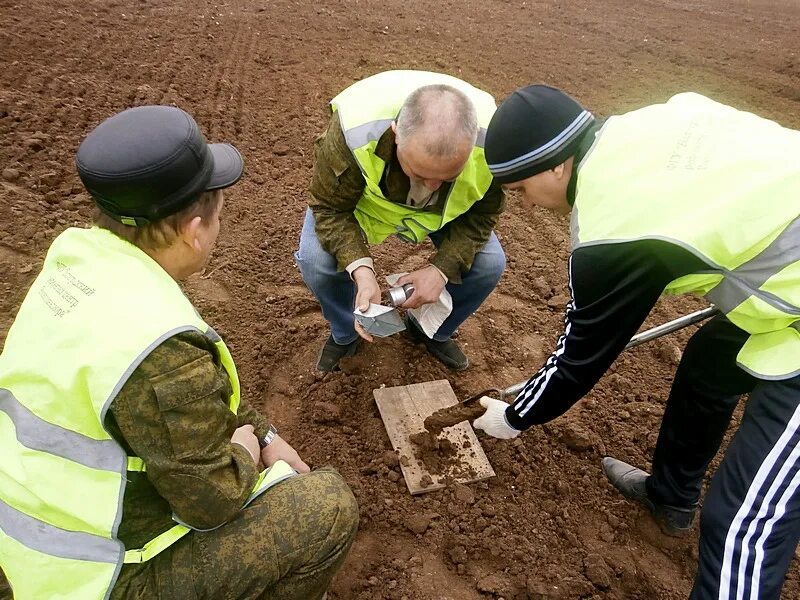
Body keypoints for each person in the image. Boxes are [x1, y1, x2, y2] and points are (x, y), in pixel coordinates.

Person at [0, 106, 358, 600]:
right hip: (94, 578)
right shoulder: (160, 347)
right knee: (327, 509)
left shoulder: (76, 265)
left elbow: (181, 404)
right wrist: (248, 452)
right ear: (193, 231)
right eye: (218, 217)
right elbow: (211, 503)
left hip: (30, 529)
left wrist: (265, 429)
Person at [473, 85, 800, 599]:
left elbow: (579, 357)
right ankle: (669, 496)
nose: (527, 205)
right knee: (710, 362)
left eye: (520, 190)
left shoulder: (612, 230)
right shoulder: (637, 128)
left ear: (556, 167)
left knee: (744, 524)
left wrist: (514, 416)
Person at [296, 70, 507, 371]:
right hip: (366, 205)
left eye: (447, 177)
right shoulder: (355, 129)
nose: (430, 187)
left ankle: (430, 330)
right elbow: (329, 209)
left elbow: (483, 216)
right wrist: (362, 270)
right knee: (316, 259)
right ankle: (345, 334)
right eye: (419, 174)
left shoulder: (497, 146)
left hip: (448, 213)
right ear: (396, 134)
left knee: (488, 264)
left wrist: (442, 270)